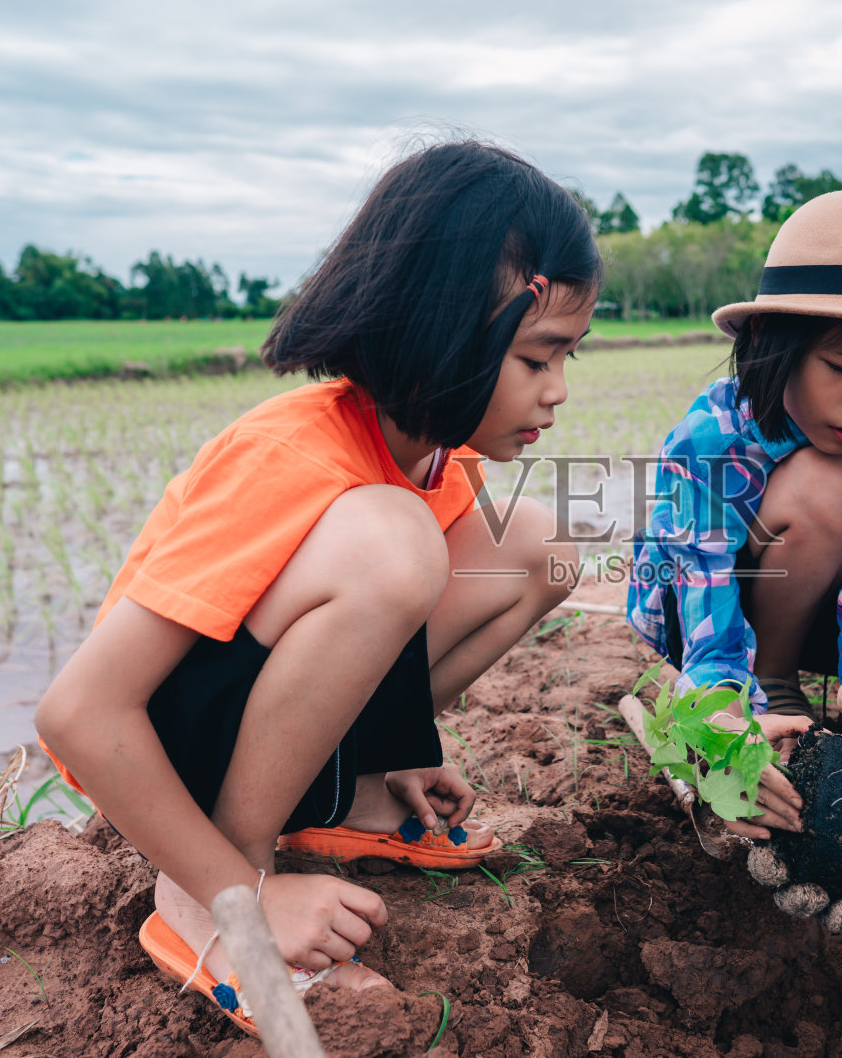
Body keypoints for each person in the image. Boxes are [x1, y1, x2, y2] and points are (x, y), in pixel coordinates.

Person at [34, 140, 601, 1033]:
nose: (558, 389)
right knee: (394, 543)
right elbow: (79, 713)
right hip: (154, 751)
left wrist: (401, 741)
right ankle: (217, 889)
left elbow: (376, 637)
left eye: (569, 355)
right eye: (538, 357)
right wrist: (238, 887)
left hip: (259, 725)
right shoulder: (293, 451)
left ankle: (358, 787)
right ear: (447, 332)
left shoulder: (438, 463)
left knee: (540, 544)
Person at [626, 190, 842, 841]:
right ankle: (769, 686)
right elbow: (700, 583)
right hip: (707, 618)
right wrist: (725, 711)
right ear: (770, 339)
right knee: (832, 480)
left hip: (824, 599)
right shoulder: (712, 437)